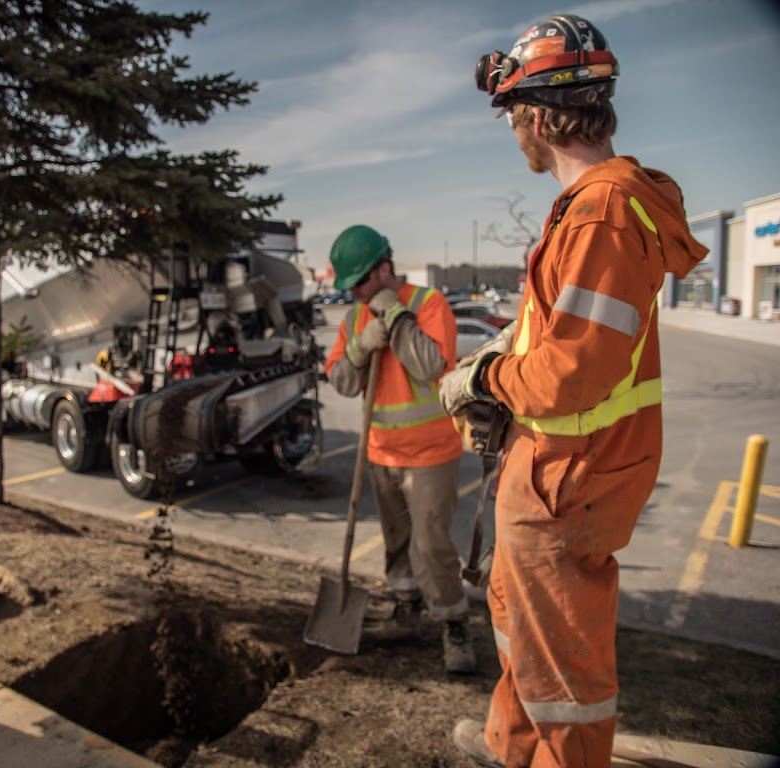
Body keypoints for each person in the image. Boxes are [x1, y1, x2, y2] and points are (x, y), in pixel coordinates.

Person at [440, 14, 708, 768]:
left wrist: (484, 377)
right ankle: (510, 750)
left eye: (513, 116)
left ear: (534, 114)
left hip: (568, 478)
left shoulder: (603, 215)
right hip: (559, 468)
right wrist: (507, 351)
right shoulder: (592, 212)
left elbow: (576, 370)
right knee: (525, 632)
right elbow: (563, 342)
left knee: (564, 676)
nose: (514, 132)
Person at [324, 224, 474, 674]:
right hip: (382, 452)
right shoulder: (355, 320)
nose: (354, 296)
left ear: (384, 269)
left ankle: (454, 626)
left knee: (432, 545)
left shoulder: (428, 304)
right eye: (349, 288)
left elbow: (430, 366)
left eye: (361, 285)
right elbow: (341, 382)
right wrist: (360, 346)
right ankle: (406, 612)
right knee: (397, 543)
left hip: (430, 452)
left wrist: (396, 319)